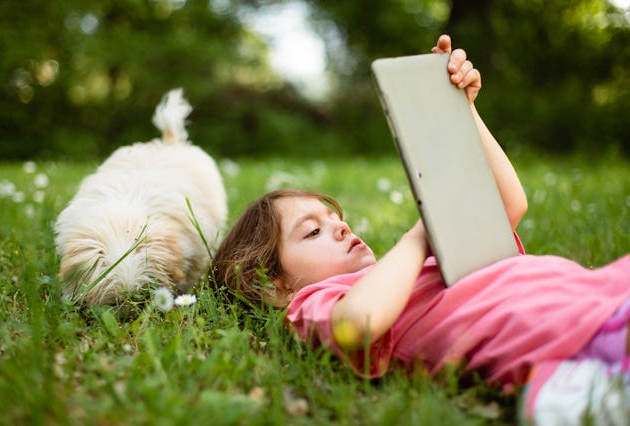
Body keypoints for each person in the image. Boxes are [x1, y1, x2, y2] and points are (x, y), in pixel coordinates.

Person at [210, 35, 630, 424]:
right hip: (574, 337)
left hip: (600, 292)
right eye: (313, 232)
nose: (340, 229)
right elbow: (357, 323)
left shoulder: (410, 265)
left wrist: (463, 110)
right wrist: (417, 235)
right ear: (273, 285)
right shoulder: (320, 300)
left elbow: (509, 205)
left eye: (336, 219)